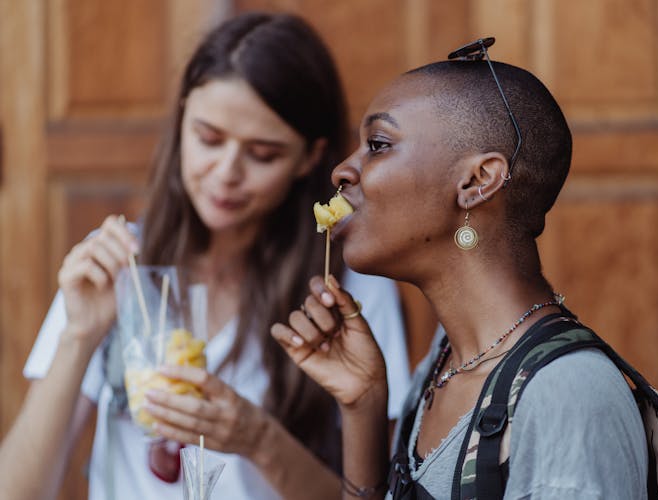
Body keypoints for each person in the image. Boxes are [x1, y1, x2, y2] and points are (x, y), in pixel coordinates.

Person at [0, 12, 410, 500]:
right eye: (209, 139)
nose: (226, 172)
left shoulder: (351, 291)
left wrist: (257, 438)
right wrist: (78, 334)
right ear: (180, 125)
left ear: (308, 158)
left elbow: (371, 494)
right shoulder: (116, 265)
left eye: (262, 154)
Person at [271, 39, 649, 499]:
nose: (343, 172)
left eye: (377, 145)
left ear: (476, 181)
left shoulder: (566, 394)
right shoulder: (443, 363)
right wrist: (363, 406)